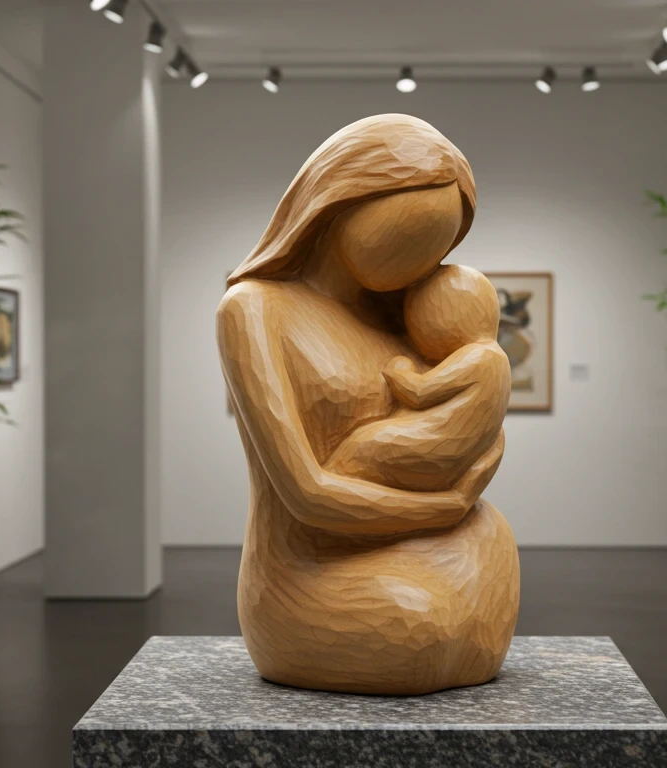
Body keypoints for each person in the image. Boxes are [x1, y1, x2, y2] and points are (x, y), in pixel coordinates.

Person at [217, 114, 519, 695]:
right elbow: (307, 494)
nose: (423, 262)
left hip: (417, 539)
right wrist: (445, 507)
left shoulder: (403, 315)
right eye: (409, 234)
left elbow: (455, 423)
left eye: (439, 244)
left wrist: (476, 435)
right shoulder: (254, 309)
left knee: (492, 548)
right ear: (339, 201)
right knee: (412, 632)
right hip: (312, 568)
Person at [325, 264, 511, 492]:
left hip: (435, 449)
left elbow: (419, 393)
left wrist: (398, 372)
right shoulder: (496, 359)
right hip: (453, 459)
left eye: (419, 317)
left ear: (446, 317)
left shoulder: (481, 356)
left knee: (360, 450)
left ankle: (342, 494)